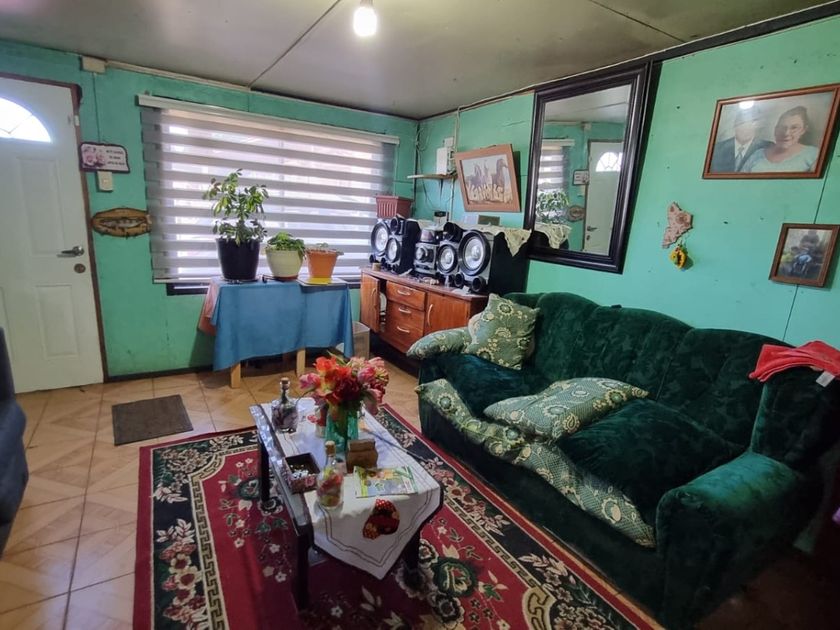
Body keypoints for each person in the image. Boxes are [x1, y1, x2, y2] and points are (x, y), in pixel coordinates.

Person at [742, 106, 819, 173]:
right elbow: (740, 181)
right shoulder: (758, 154)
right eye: (782, 127)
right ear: (775, 130)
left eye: (794, 128)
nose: (786, 133)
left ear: (803, 130)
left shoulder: (813, 155)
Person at [709, 107, 771, 172]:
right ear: (735, 125)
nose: (746, 128)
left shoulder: (768, 147)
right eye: (742, 123)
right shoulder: (717, 148)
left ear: (757, 127)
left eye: (751, 124)